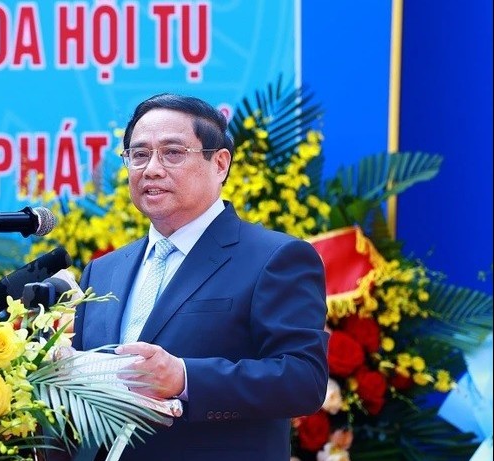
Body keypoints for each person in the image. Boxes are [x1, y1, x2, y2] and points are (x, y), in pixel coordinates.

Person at [71, 93, 329, 460]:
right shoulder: (103, 270)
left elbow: (303, 380)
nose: (152, 169)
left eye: (172, 153)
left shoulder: (275, 257)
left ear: (220, 163)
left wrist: (185, 378)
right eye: (139, 155)